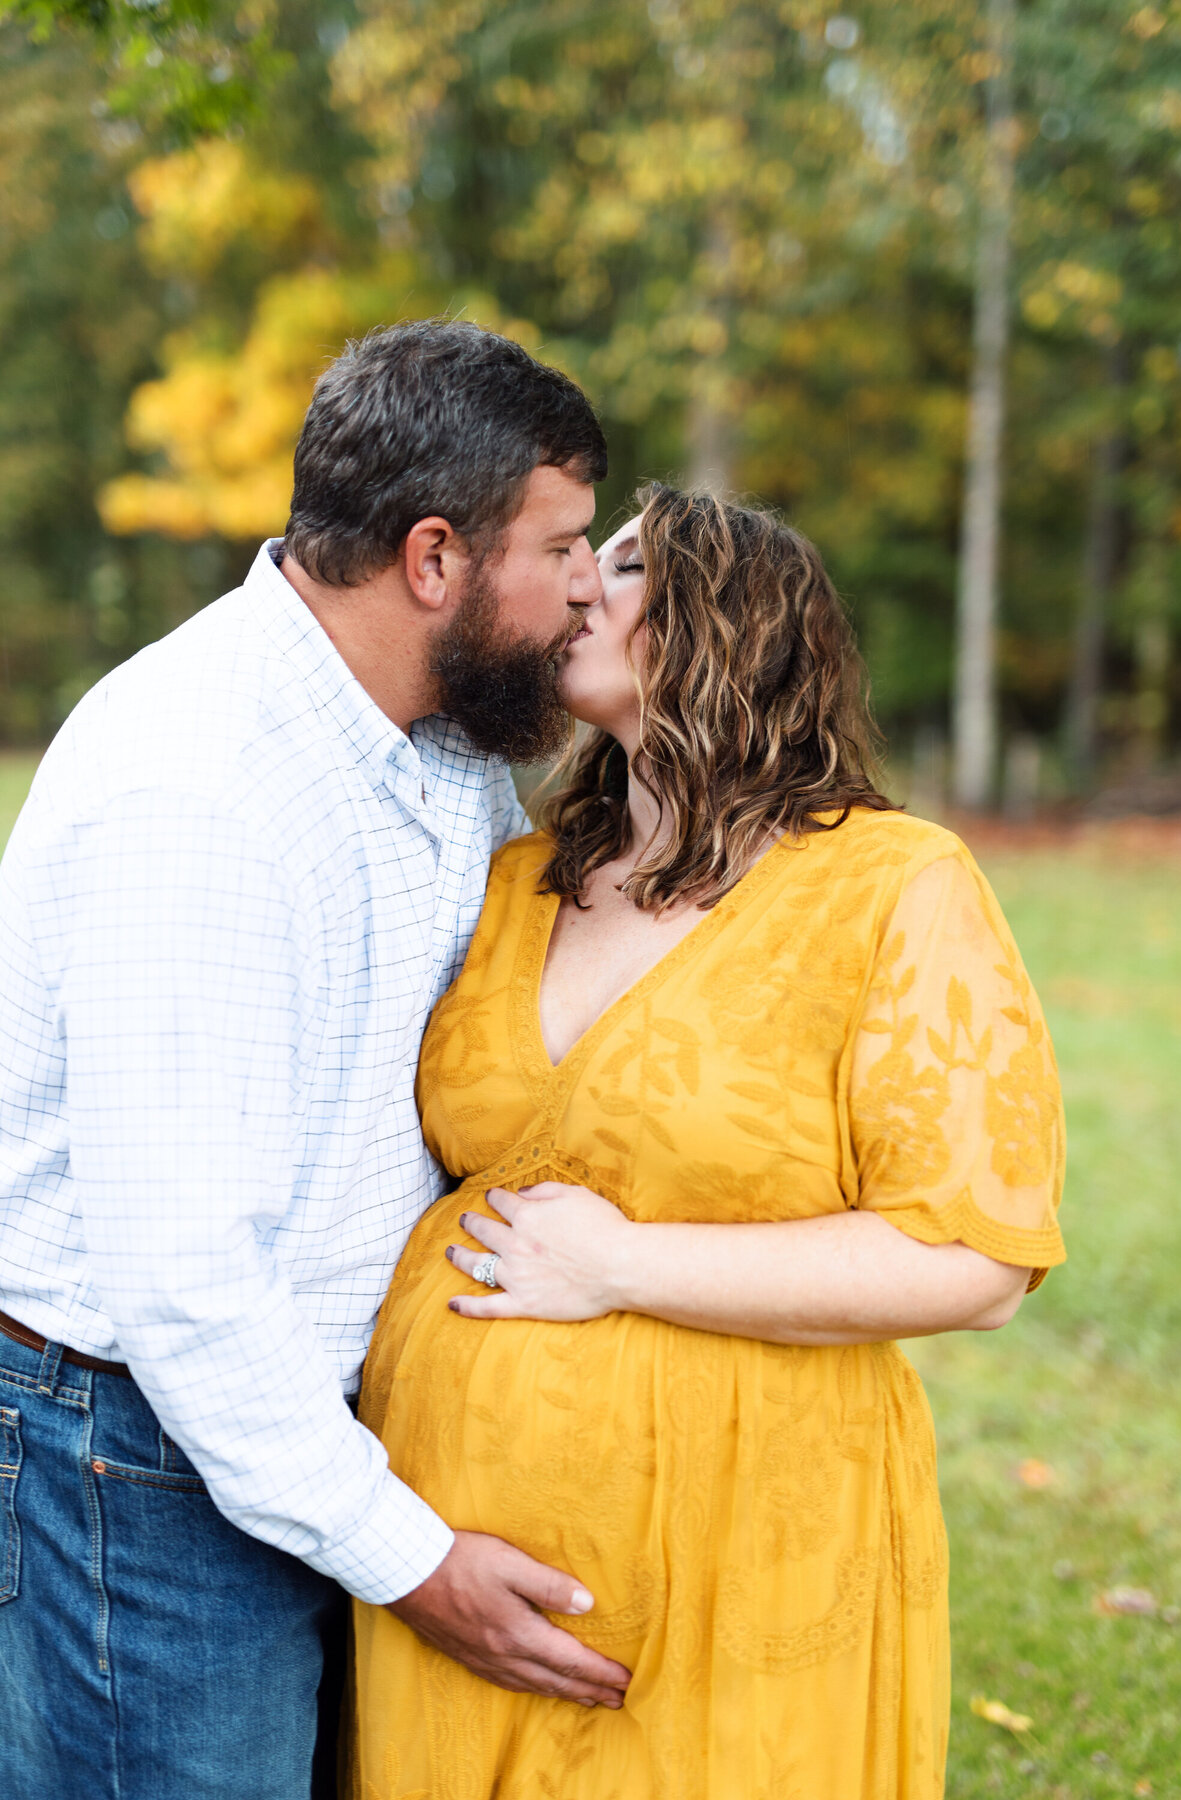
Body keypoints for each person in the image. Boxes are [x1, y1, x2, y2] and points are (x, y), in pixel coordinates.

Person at [349, 485, 1067, 1799]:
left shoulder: (894, 885)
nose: (578, 588)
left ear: (728, 625)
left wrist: (626, 1267)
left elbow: (974, 1257)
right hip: (447, 1535)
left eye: (622, 569)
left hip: (746, 1531)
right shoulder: (522, 874)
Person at [0, 319, 633, 1800]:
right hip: (143, 1461)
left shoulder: (440, 737)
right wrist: (414, 1562)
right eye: (566, 545)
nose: (591, 585)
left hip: (310, 1434)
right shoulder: (203, 784)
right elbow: (185, 1282)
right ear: (434, 560)